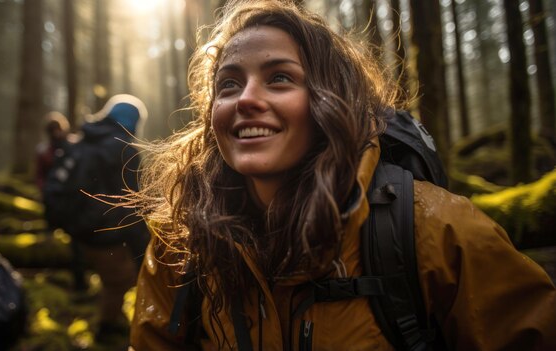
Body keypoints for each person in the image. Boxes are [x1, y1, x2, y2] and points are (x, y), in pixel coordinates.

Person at [128, 1, 556, 350]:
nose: (247, 99)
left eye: (279, 79)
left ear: (328, 103)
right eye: (228, 84)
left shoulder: (437, 229)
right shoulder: (181, 245)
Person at [69, 94, 151, 342]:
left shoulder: (86, 140)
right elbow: (131, 201)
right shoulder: (123, 148)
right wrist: (143, 243)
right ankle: (105, 329)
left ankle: (108, 316)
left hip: (81, 226)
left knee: (110, 277)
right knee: (120, 281)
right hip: (105, 231)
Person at [36, 112, 89, 292]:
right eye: (52, 130)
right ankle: (51, 278)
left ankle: (80, 284)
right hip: (53, 203)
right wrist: (46, 193)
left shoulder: (75, 146)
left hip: (73, 202)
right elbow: (40, 177)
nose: (56, 133)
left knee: (77, 245)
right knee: (51, 240)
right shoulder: (44, 151)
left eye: (58, 129)